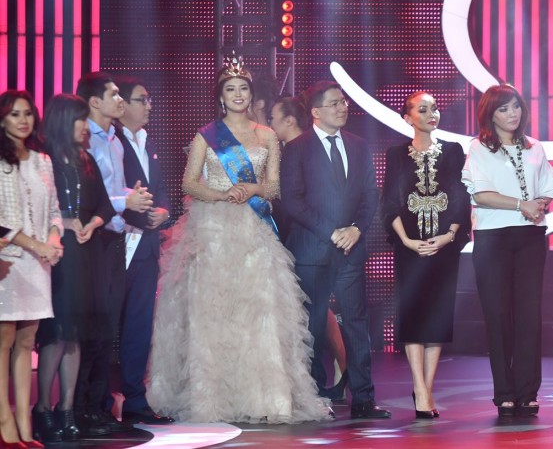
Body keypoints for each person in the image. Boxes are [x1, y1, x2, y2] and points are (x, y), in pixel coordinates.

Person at [147, 56, 331, 424]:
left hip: (253, 228)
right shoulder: (207, 135)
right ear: (221, 96)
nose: (237, 94)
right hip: (213, 231)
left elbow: (274, 187)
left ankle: (265, 397)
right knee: (214, 312)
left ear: (250, 94)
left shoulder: (266, 135)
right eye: (230, 89)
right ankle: (214, 398)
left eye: (243, 88)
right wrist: (221, 194)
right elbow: (188, 183)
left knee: (258, 310)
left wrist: (252, 189)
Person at [280, 81, 390, 419]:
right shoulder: (297, 148)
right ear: (315, 111)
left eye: (343, 102)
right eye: (334, 103)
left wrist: (355, 229)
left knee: (356, 323)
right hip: (312, 250)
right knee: (312, 326)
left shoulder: (358, 145)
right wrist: (331, 232)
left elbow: (370, 194)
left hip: (350, 250)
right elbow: (293, 200)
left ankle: (364, 399)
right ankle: (313, 397)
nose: (343, 107)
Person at [461, 84, 553, 417]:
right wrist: (522, 204)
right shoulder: (478, 147)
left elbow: (550, 188)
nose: (512, 113)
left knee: (528, 315)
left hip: (530, 237)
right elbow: (480, 195)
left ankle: (527, 391)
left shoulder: (534, 147)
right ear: (490, 114)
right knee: (498, 314)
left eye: (516, 106)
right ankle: (504, 392)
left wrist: (538, 204)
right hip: (492, 238)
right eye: (504, 108)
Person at [32, 94, 116, 444]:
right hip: (56, 254)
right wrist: (65, 223)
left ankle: (66, 410)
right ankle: (42, 409)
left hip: (85, 253)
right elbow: (35, 210)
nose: (86, 126)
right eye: (81, 119)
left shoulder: (86, 160)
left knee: (77, 333)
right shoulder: (42, 158)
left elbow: (105, 206)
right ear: (65, 120)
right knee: (57, 333)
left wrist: (92, 223)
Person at [381, 92, 470, 418]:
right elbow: (390, 200)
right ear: (408, 118)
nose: (432, 113)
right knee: (413, 318)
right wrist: (405, 241)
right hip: (410, 249)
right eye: (423, 109)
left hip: (444, 249)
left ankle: (426, 389)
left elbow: (460, 196)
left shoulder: (453, 151)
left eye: (434, 108)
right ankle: (419, 389)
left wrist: (449, 236)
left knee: (437, 319)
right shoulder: (396, 155)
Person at [75, 72, 152, 436]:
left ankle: (99, 407)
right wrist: (126, 200)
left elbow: (113, 189)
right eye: (114, 94)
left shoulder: (116, 141)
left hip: (115, 240)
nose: (120, 100)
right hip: (91, 240)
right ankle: (79, 409)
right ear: (94, 102)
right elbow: (90, 196)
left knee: (107, 330)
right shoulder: (84, 138)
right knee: (90, 329)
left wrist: (130, 197)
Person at [270, 96, 349, 400]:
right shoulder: (288, 150)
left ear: (289, 120)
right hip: (295, 241)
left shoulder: (306, 149)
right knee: (312, 313)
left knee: (316, 314)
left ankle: (333, 374)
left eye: (274, 118)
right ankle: (324, 377)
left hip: (313, 242)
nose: (270, 124)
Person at [0, 90, 63, 448]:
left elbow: (54, 209)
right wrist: (35, 245)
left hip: (39, 264)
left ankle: (25, 423)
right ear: (2, 119)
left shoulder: (43, 161)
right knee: (4, 341)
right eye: (14, 114)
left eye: (27, 114)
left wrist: (53, 238)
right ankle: (4, 419)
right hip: (7, 262)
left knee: (27, 342)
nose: (23, 120)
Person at [110, 76, 174, 425]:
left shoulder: (148, 141)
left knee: (138, 324)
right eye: (142, 99)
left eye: (149, 99)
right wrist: (138, 212)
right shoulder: (109, 140)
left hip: (146, 246)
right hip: (115, 243)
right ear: (122, 105)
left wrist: (163, 212)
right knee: (106, 326)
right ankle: (97, 401)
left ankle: (135, 398)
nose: (149, 105)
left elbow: (159, 189)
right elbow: (107, 191)